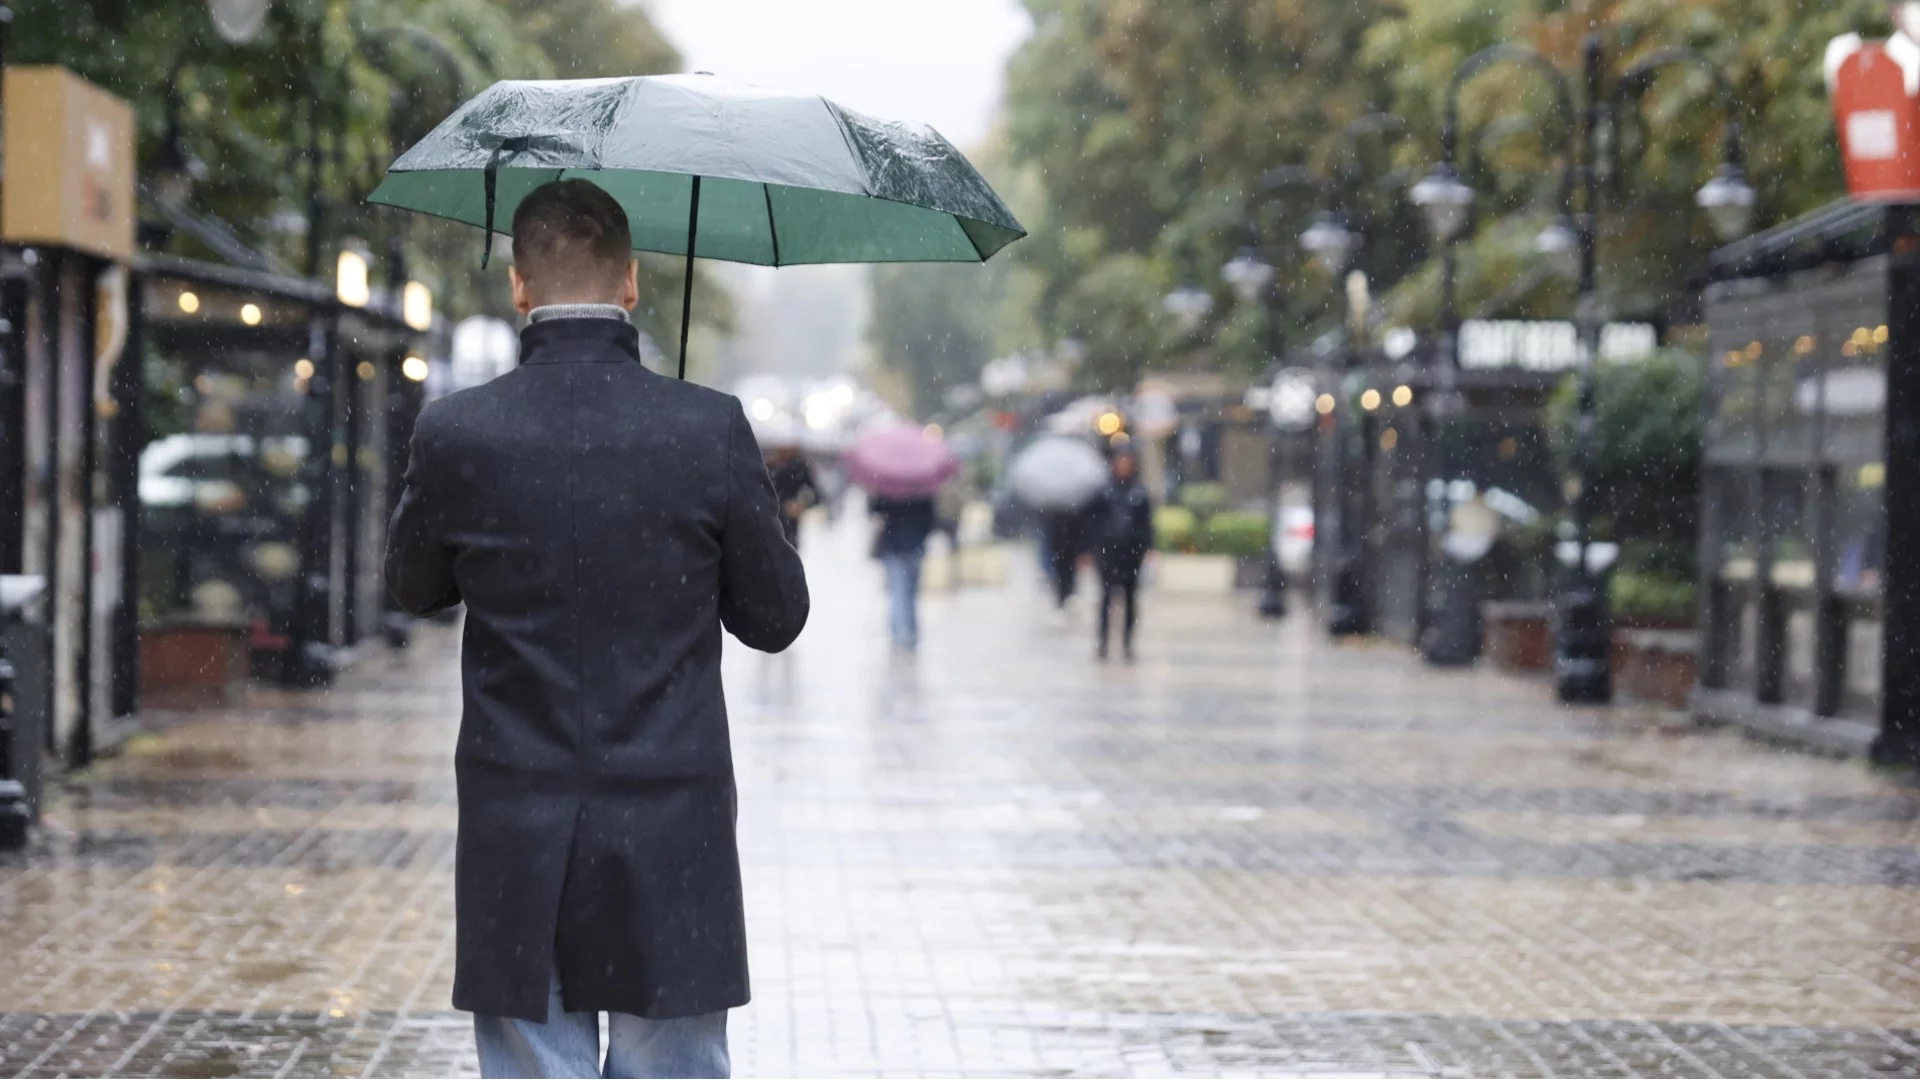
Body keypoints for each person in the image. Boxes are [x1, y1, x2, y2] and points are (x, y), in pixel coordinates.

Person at [386, 179, 809, 1080]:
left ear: (518, 286)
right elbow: (775, 619)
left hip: (516, 813)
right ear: (632, 282)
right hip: (673, 818)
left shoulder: (458, 432)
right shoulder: (706, 427)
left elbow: (412, 589)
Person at [1085, 448, 1154, 661]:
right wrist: (1090, 549)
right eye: (1120, 460)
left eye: (1127, 460)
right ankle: (1103, 643)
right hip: (1107, 552)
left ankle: (1127, 644)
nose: (1123, 464)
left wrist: (1148, 547)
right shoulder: (1104, 491)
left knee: (1130, 598)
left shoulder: (1139, 492)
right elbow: (1092, 522)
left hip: (1132, 553)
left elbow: (1146, 524)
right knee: (1106, 597)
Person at [868, 492, 935, 651]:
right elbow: (931, 521)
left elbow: (875, 511)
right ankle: (909, 631)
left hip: (893, 546)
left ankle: (898, 633)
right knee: (910, 591)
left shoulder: (888, 490)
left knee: (898, 590)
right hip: (914, 547)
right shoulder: (922, 492)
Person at [765, 445, 818, 549]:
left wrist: (801, 504)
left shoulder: (800, 468)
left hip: (791, 527)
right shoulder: (768, 466)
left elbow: (814, 494)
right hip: (770, 525)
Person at [1040, 508, 1083, 608]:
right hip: (1063, 555)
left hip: (1066, 555)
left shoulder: (1062, 523)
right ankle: (1065, 598)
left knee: (1066, 577)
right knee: (1064, 577)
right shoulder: (1059, 523)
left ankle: (1066, 598)